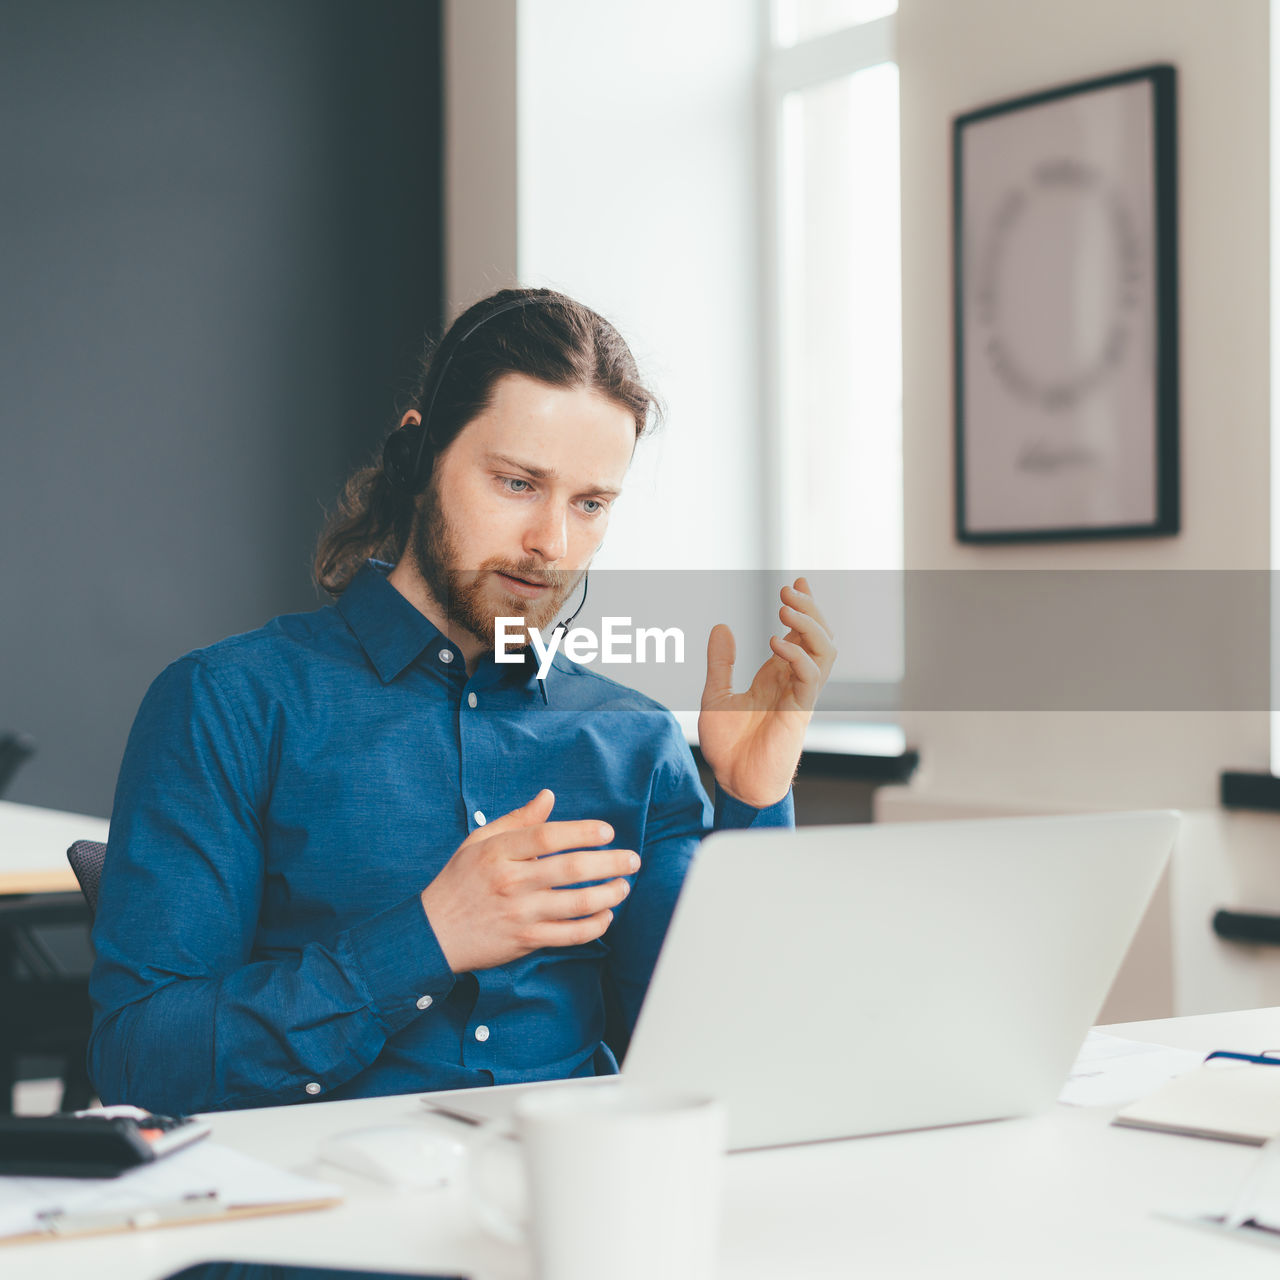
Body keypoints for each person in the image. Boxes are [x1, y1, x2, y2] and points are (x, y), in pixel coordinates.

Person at [88, 288, 836, 1114]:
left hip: (571, 1200)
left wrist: (754, 801)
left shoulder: (633, 739)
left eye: (590, 504)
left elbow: (728, 1054)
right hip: (323, 1213)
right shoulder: (227, 703)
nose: (552, 542)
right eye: (518, 483)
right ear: (419, 457)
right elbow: (139, 1061)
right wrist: (429, 936)